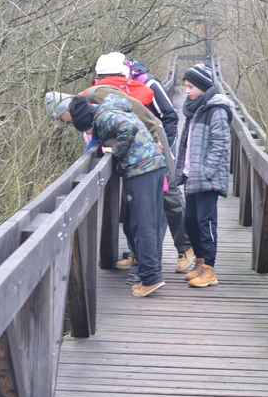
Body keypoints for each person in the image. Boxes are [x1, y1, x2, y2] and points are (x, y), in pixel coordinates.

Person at [91, 53, 195, 276]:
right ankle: (136, 253)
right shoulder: (103, 89)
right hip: (136, 149)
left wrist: (166, 147)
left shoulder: (148, 83)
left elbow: (169, 114)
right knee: (136, 201)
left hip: (157, 142)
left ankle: (185, 247)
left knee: (170, 195)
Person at [66, 93, 167, 297]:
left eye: (87, 129)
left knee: (143, 223)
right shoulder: (115, 108)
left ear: (88, 121)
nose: (89, 132)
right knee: (150, 221)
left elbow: (127, 129)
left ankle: (151, 278)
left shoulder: (104, 116)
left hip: (141, 169)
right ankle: (151, 274)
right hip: (154, 164)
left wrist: (115, 150)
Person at [174, 64, 235, 288]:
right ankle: (199, 263)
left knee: (206, 222)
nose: (187, 91)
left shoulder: (216, 108)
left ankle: (209, 268)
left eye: (191, 86)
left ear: (202, 85)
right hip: (192, 176)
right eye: (186, 87)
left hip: (207, 179)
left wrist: (207, 171)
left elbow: (221, 144)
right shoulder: (195, 108)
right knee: (190, 222)